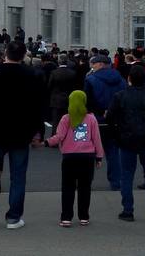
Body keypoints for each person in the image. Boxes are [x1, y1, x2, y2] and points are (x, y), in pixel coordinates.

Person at [0, 40, 47, 229]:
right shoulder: (32, 75)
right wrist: (38, 132)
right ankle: (14, 218)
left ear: (5, 53)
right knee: (18, 176)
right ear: (24, 55)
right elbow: (38, 107)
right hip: (21, 133)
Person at [107, 64, 145, 222]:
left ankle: (128, 210)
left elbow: (110, 117)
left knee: (127, 175)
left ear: (129, 79)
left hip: (126, 139)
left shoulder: (120, 96)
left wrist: (117, 133)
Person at [45, 89, 104, 227]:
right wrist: (99, 157)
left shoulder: (66, 118)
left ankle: (66, 217)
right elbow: (96, 139)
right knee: (85, 187)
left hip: (69, 157)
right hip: (87, 157)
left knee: (68, 187)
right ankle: (84, 216)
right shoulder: (91, 118)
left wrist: (47, 142)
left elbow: (59, 136)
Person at [84, 55, 127, 191]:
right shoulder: (120, 79)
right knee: (113, 152)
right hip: (115, 119)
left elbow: (87, 100)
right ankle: (115, 182)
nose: (92, 66)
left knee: (89, 151)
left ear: (101, 64)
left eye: (93, 64)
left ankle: (86, 182)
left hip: (96, 118)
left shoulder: (91, 79)